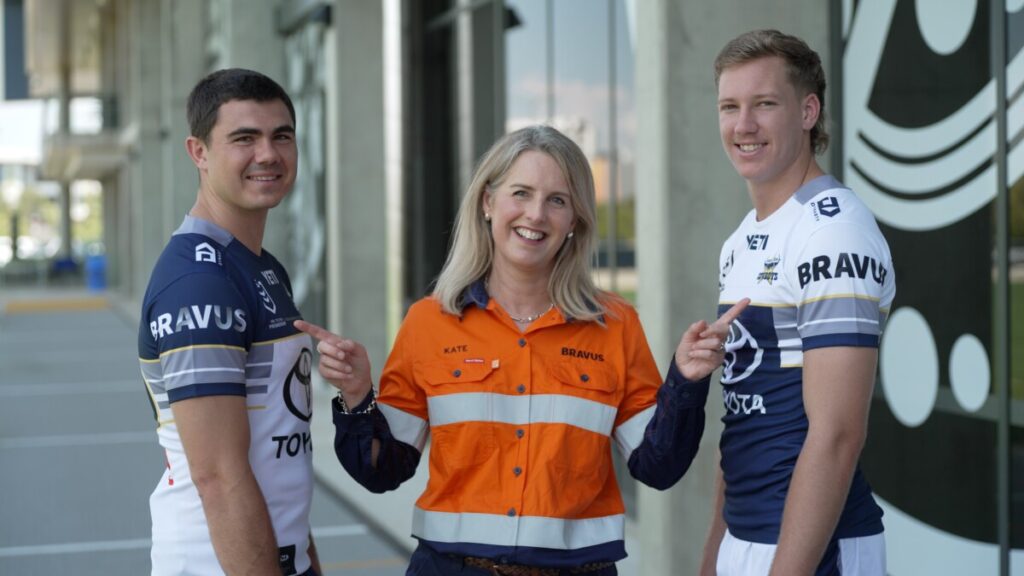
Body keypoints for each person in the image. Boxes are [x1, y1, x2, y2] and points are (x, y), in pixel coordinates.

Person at [297, 125, 747, 575]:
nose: (536, 214)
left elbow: (657, 465)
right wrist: (357, 397)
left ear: (575, 220)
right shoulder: (428, 322)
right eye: (521, 193)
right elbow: (382, 470)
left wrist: (686, 382)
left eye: (557, 200)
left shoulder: (614, 325)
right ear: (488, 202)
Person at [699, 30, 895, 575]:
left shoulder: (834, 232)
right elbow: (742, 414)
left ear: (808, 111)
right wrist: (715, 554)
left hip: (814, 548)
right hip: (747, 534)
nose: (743, 126)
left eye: (764, 104)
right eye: (730, 107)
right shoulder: (741, 240)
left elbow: (837, 434)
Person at [137, 68, 320, 576]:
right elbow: (218, 474)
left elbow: (279, 454)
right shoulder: (200, 281)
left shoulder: (258, 263)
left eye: (282, 136)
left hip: (275, 554)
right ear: (198, 152)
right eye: (245, 138)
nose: (268, 154)